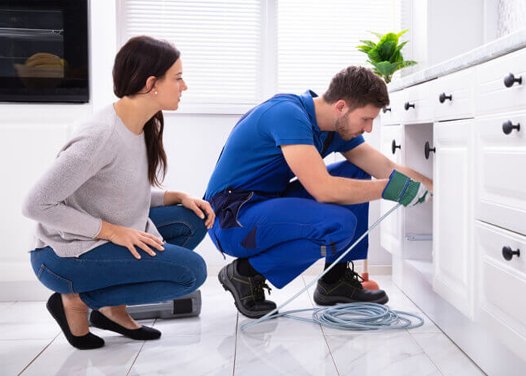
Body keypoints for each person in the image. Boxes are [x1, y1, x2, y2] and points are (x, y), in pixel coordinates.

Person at [22, 36, 215, 349]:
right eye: (178, 78)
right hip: (62, 256)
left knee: (189, 220)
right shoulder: (100, 136)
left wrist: (174, 196)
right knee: (190, 273)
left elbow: (118, 192)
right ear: (152, 83)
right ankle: (75, 299)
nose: (184, 86)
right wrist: (112, 232)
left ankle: (113, 311)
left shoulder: (140, 124)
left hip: (95, 241)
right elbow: (35, 204)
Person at [204, 66, 432, 319]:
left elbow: (386, 168)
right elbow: (323, 189)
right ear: (341, 107)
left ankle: (335, 280)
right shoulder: (286, 114)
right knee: (338, 224)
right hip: (232, 218)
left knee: (354, 170)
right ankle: (246, 273)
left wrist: (438, 189)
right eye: (366, 119)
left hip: (267, 204)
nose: (368, 128)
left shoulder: (334, 128)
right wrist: (391, 190)